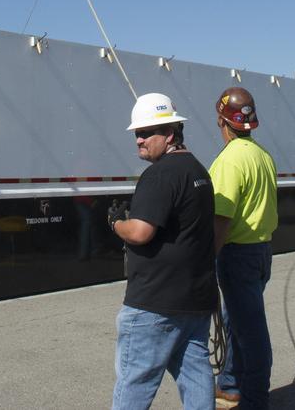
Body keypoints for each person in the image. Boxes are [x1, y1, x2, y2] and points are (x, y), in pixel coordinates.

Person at [109, 92, 218, 410]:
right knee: (196, 377)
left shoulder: (159, 175)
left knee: (135, 384)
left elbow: (141, 232)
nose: (139, 140)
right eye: (137, 134)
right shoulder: (199, 171)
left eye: (145, 133)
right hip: (195, 301)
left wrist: (116, 223)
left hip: (155, 304)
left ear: (170, 133)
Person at [210, 87, 278, 410]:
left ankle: (254, 400)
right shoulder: (263, 156)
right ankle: (230, 384)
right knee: (235, 318)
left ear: (223, 121)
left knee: (251, 332)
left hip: (237, 255)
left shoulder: (229, 161)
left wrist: (205, 258)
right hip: (261, 252)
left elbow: (220, 218)